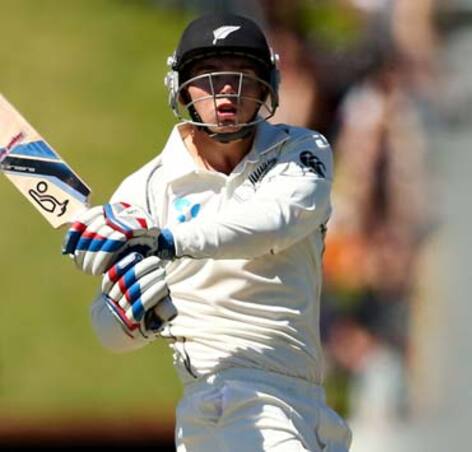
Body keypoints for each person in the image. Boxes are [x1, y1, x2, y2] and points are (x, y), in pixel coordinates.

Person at [61, 13, 351, 452]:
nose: (226, 90)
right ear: (180, 88)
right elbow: (106, 326)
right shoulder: (145, 191)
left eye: (242, 75)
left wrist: (167, 241)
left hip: (302, 399)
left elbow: (273, 222)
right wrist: (128, 318)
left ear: (267, 85)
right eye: (209, 76)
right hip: (228, 400)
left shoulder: (300, 151)